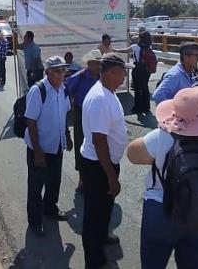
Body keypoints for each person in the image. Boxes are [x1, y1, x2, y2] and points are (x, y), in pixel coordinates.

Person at [127, 86, 198, 269]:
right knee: (190, 262)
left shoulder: (161, 136)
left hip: (160, 210)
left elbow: (132, 154)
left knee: (153, 264)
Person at [81, 53, 134, 269]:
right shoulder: (100, 99)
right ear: (113, 71)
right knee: (94, 214)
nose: (125, 76)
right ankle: (94, 261)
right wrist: (111, 177)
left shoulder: (108, 93)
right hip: (99, 167)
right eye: (123, 71)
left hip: (105, 163)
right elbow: (99, 140)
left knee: (104, 207)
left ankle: (102, 236)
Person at [24, 56, 73, 236]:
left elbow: (64, 115)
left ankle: (50, 208)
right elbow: (31, 121)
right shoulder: (38, 90)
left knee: (54, 181)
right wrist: (37, 151)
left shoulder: (63, 89)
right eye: (58, 70)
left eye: (63, 70)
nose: (62, 74)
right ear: (48, 72)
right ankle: (35, 221)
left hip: (57, 145)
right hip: (40, 148)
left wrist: (67, 135)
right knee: (36, 186)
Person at [66, 49, 103, 193]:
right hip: (82, 114)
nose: (99, 66)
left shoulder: (101, 77)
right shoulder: (79, 77)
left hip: (98, 115)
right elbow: (66, 91)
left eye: (100, 63)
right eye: (96, 63)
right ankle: (82, 178)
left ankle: (96, 175)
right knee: (81, 144)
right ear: (89, 64)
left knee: (98, 144)